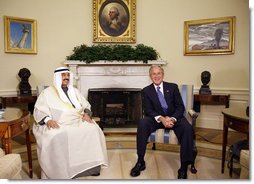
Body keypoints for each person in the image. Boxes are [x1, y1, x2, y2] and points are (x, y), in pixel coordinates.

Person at [33, 66, 108, 179]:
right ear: (57, 77)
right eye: (63, 75)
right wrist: (48, 120)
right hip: (58, 123)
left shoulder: (75, 91)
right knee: (56, 135)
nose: (66, 77)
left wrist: (87, 114)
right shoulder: (47, 93)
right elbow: (39, 110)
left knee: (93, 129)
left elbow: (86, 105)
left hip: (78, 120)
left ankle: (91, 167)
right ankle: (61, 170)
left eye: (68, 75)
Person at [130, 65, 194, 179]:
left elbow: (180, 107)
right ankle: (140, 162)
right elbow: (148, 110)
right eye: (153, 74)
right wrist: (162, 119)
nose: (156, 76)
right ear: (150, 76)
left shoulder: (173, 87)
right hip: (157, 119)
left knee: (188, 128)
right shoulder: (146, 91)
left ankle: (183, 167)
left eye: (158, 73)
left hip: (174, 117)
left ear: (163, 75)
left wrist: (172, 118)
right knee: (142, 123)